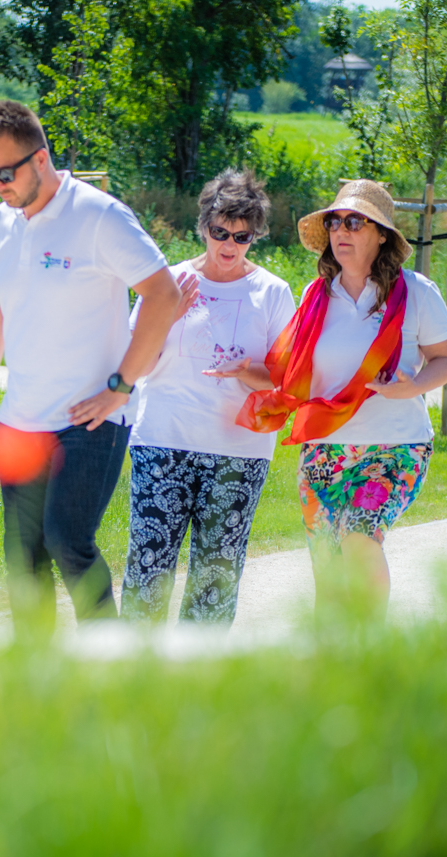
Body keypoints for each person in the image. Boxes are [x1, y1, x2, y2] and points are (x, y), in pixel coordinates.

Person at [0, 100, 182, 630]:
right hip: (23, 419)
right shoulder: (0, 223)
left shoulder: (98, 215)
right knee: (23, 559)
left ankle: (112, 667)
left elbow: (163, 295)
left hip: (90, 417)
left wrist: (121, 387)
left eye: (4, 173)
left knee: (67, 541)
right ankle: (38, 683)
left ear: (40, 158)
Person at [230, 179, 447, 616]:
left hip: (395, 447)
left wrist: (413, 386)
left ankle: (371, 646)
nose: (342, 231)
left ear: (382, 235)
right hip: (324, 451)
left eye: (355, 222)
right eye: (335, 222)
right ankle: (334, 663)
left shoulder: (416, 293)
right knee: (329, 568)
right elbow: (295, 374)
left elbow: (446, 360)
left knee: (359, 532)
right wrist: (247, 372)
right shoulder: (316, 297)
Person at [121, 169, 298, 625]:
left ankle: (197, 683)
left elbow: (289, 379)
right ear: (202, 226)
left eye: (242, 236)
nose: (229, 244)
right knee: (147, 568)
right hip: (163, 441)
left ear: (255, 236)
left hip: (238, 452)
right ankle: (131, 678)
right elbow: (132, 366)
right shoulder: (168, 283)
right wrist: (168, 314)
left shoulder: (273, 292)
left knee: (216, 578)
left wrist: (247, 371)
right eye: (220, 231)